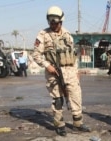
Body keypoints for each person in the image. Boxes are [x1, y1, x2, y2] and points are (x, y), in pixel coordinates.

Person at [32, 6, 91, 136]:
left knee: (76, 97)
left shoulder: (67, 34)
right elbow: (36, 55)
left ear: (61, 21)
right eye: (50, 21)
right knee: (58, 99)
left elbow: (73, 55)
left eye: (55, 21)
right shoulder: (43, 35)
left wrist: (76, 71)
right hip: (54, 73)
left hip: (70, 72)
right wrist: (47, 65)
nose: (53, 24)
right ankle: (59, 125)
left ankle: (78, 123)